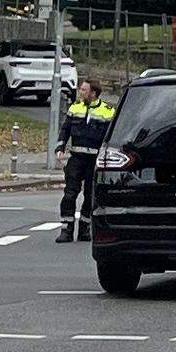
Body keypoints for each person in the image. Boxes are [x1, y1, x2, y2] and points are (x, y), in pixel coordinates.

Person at [58, 76, 117, 239]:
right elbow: (65, 129)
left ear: (93, 93)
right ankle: (66, 229)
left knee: (91, 196)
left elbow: (110, 137)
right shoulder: (75, 108)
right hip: (76, 158)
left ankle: (84, 227)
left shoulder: (108, 111)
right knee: (70, 193)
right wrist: (60, 147)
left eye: (84, 90)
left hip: (94, 160)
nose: (80, 92)